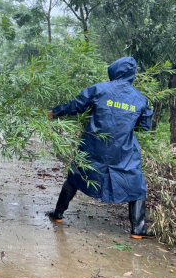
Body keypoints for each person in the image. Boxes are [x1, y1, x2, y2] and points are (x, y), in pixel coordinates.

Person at [46, 57, 155, 239]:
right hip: (123, 151)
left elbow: (76, 105)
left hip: (94, 145)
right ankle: (138, 229)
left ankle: (58, 214)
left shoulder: (99, 89)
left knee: (76, 175)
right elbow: (144, 126)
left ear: (114, 71)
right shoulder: (140, 99)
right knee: (136, 185)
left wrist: (54, 112)